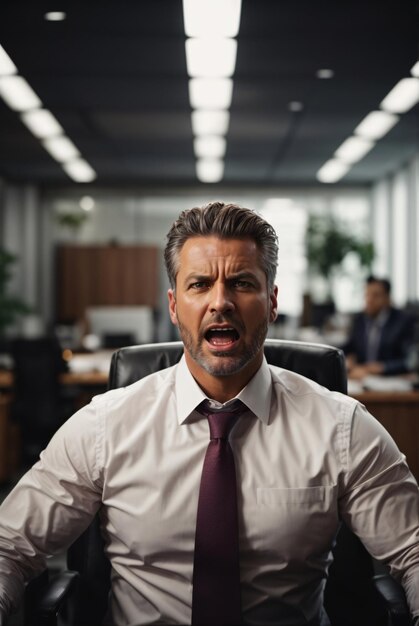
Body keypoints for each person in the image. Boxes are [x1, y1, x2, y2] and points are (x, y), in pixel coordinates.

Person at [0, 201, 419, 626]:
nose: (221, 303)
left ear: (272, 302)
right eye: (199, 285)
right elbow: (10, 546)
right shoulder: (105, 427)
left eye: (241, 283)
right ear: (173, 305)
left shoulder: (342, 429)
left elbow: (414, 552)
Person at [342, 275, 416, 380]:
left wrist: (382, 368)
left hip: (391, 381)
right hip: (361, 379)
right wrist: (344, 360)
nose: (369, 300)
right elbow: (347, 347)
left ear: (387, 298)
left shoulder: (403, 321)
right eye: (367, 295)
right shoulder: (359, 319)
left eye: (375, 296)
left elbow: (410, 361)